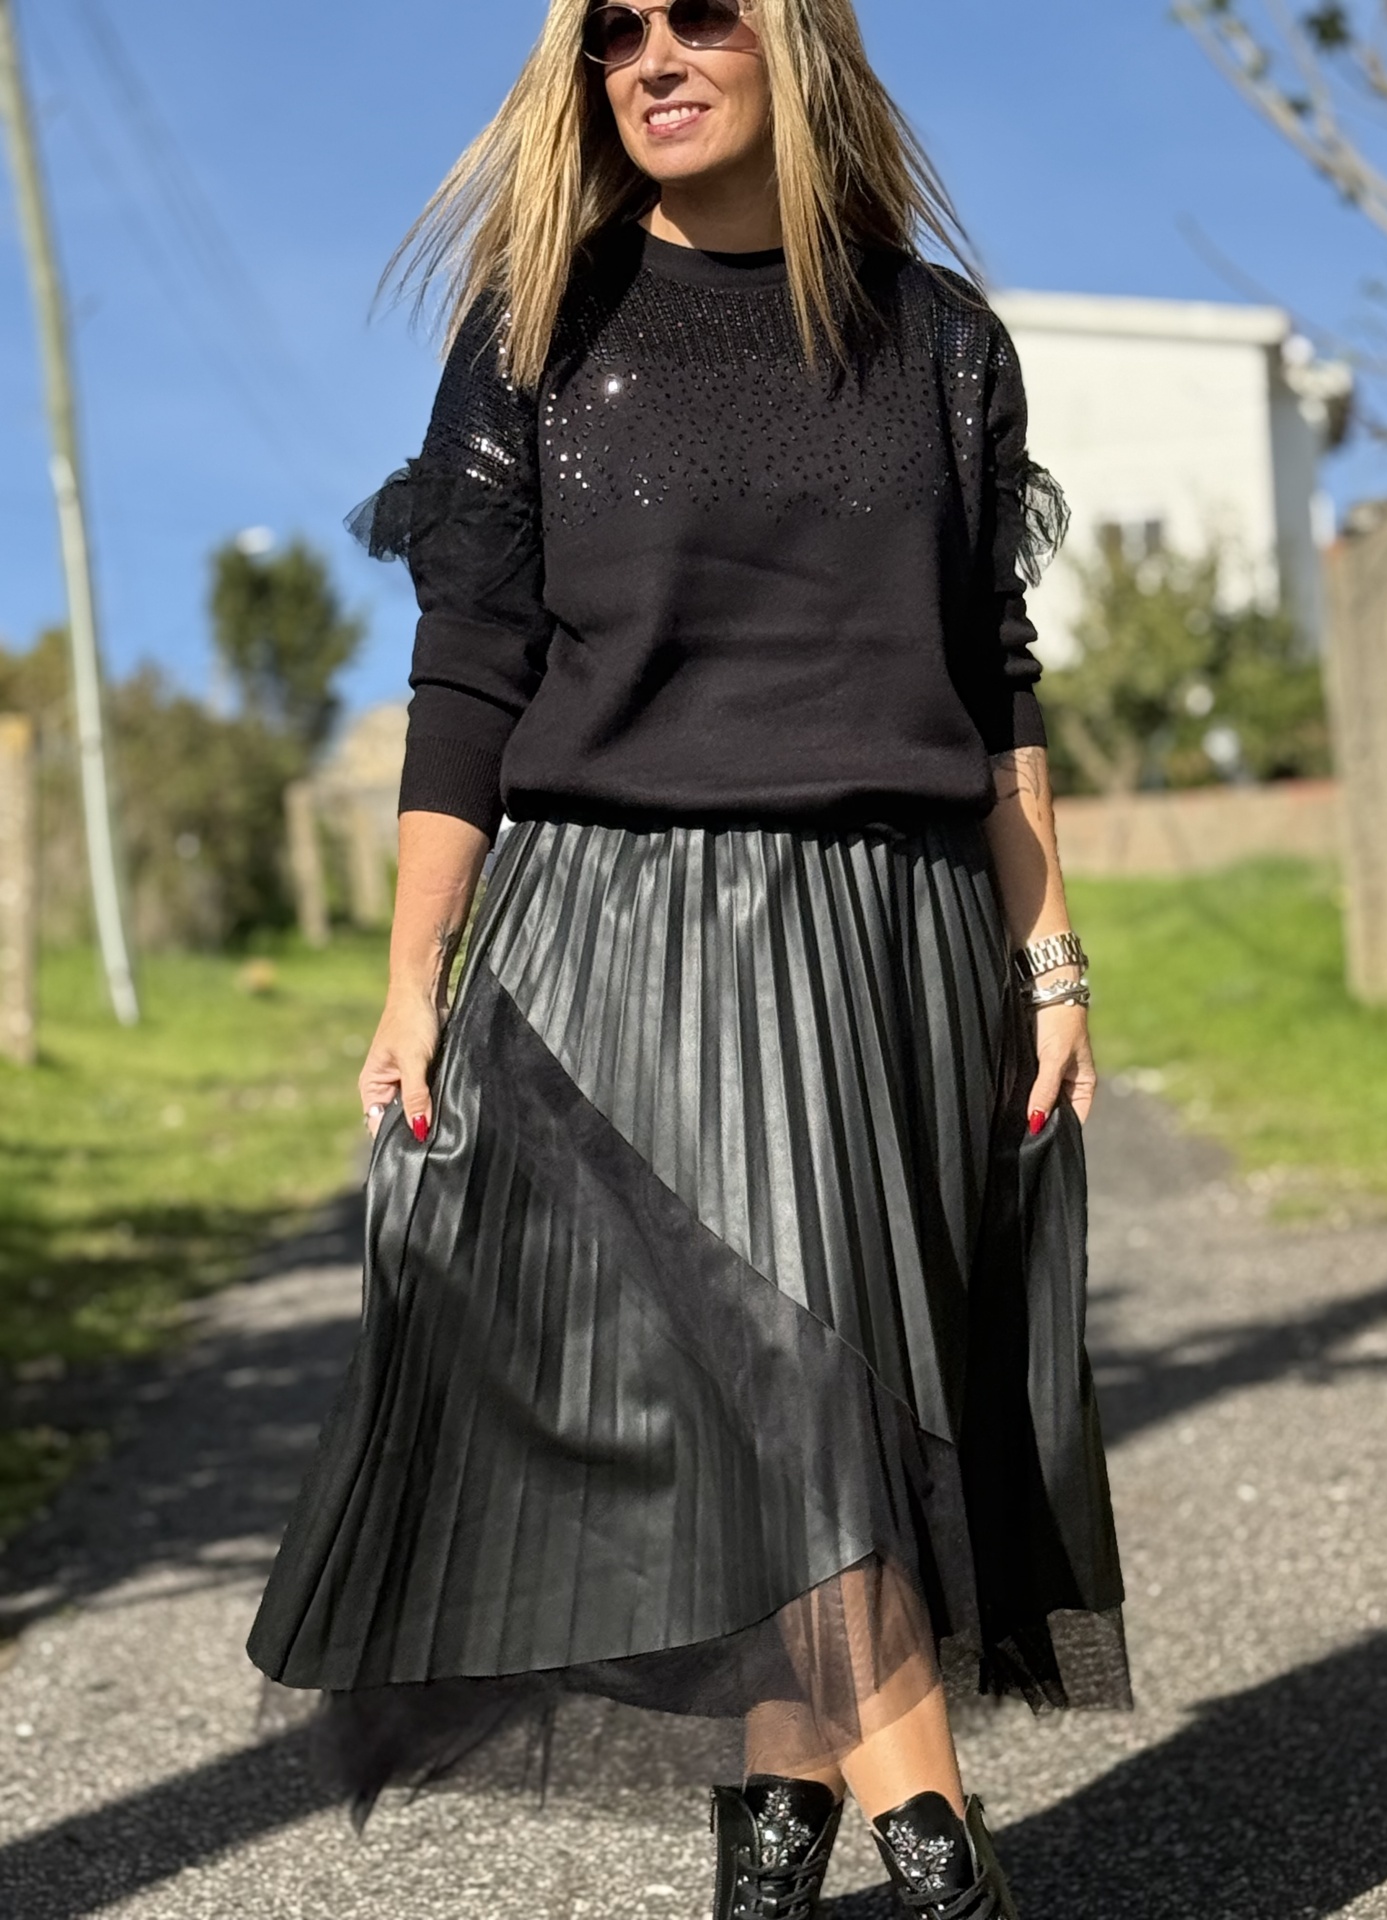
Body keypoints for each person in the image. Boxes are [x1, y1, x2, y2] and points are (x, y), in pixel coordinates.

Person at [247, 2, 1131, 1914]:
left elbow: (994, 677)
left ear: (794, 39)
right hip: (626, 937)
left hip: (895, 934)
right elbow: (470, 675)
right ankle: (943, 1860)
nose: (652, 54)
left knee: (824, 1405)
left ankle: (774, 1854)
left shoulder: (941, 344)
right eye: (613, 30)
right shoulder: (539, 335)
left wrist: (1046, 951)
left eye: (698, 13)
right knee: (799, 1398)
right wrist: (412, 974)